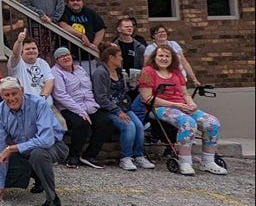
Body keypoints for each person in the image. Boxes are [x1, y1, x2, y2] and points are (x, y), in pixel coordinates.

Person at [0, 78, 69, 206]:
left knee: (38, 154)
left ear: (22, 91)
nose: (11, 98)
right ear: (1, 96)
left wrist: (12, 148)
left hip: (54, 147)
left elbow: (46, 140)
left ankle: (52, 199)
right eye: (7, 95)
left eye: (14, 93)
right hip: (24, 151)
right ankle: (36, 175)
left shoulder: (39, 104)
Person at [138, 45, 225, 176]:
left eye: (167, 56)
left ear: (172, 58)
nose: (164, 58)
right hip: (159, 107)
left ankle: (208, 161)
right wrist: (175, 105)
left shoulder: (177, 72)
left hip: (181, 105)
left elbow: (184, 93)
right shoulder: (147, 72)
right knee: (187, 122)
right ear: (154, 57)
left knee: (212, 123)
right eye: (161, 55)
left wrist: (191, 104)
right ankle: (185, 161)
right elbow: (147, 98)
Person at [92, 43, 155, 171]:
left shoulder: (119, 71)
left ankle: (139, 155)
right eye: (119, 56)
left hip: (124, 107)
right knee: (128, 125)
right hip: (108, 109)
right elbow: (101, 97)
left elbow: (123, 91)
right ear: (111, 57)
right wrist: (117, 110)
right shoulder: (100, 72)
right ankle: (125, 158)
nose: (121, 58)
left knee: (138, 125)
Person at [51, 47, 115, 169]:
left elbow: (88, 89)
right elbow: (61, 95)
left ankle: (89, 155)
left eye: (67, 55)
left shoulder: (80, 69)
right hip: (68, 108)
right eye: (61, 56)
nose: (65, 58)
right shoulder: (55, 72)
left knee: (106, 123)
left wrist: (94, 105)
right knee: (82, 124)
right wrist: (80, 111)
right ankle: (73, 156)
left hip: (89, 106)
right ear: (56, 61)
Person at [8, 30, 55, 108]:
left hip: (46, 106)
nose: (31, 51)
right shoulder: (17, 63)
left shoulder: (42, 62)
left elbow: (50, 81)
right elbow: (15, 54)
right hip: (26, 107)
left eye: (34, 48)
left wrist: (42, 98)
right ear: (22, 51)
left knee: (61, 121)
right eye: (27, 49)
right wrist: (19, 41)